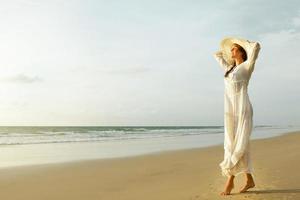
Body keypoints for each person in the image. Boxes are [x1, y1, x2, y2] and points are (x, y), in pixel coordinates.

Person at [213, 37, 261, 195]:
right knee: (232, 143)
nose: (232, 51)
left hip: (242, 109)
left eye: (234, 49)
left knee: (239, 143)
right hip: (230, 110)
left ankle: (230, 181)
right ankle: (249, 180)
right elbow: (217, 55)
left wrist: (242, 43)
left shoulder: (247, 67)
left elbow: (256, 47)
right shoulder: (229, 69)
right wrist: (228, 49)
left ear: (242, 52)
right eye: (231, 49)